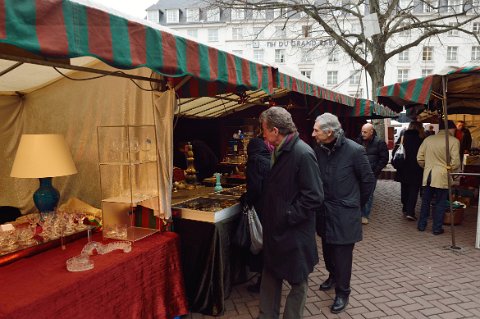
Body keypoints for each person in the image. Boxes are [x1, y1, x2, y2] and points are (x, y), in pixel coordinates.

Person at [258, 106, 324, 319]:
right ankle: (266, 315)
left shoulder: (303, 153)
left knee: (298, 280)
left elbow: (314, 196)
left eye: (264, 130)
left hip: (294, 232)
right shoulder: (279, 150)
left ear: (275, 130)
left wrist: (288, 215)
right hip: (277, 230)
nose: (263, 134)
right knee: (270, 274)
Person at [312, 113, 375, 314]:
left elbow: (368, 181)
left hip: (344, 213)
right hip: (324, 211)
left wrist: (355, 205)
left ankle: (343, 291)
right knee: (328, 249)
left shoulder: (355, 151)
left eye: (316, 130)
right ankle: (332, 276)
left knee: (342, 256)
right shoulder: (319, 149)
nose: (313, 133)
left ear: (329, 132)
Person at [417, 120, 461, 235]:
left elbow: (419, 158)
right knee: (440, 202)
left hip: (428, 175)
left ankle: (421, 225)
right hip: (442, 175)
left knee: (425, 202)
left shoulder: (428, 140)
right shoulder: (453, 141)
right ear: (451, 129)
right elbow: (456, 163)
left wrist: (427, 167)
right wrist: (450, 170)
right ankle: (436, 228)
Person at [243, 136, 271, 293]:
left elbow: (255, 188)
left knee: (259, 243)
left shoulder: (254, 160)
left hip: (260, 208)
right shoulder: (270, 158)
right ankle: (267, 279)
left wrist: (247, 199)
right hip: (270, 207)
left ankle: (262, 281)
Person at [356, 123, 389, 224]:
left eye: (365, 132)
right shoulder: (358, 141)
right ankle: (357, 214)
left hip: (371, 173)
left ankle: (365, 215)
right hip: (359, 173)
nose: (363, 134)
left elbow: (384, 159)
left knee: (369, 194)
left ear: (371, 132)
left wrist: (375, 171)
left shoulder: (379, 142)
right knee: (357, 193)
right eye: (362, 131)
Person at [392, 121, 425, 221]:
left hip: (403, 167)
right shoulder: (422, 139)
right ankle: (410, 212)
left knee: (404, 187)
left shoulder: (403, 137)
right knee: (413, 190)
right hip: (416, 168)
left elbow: (395, 152)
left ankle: (405, 207)